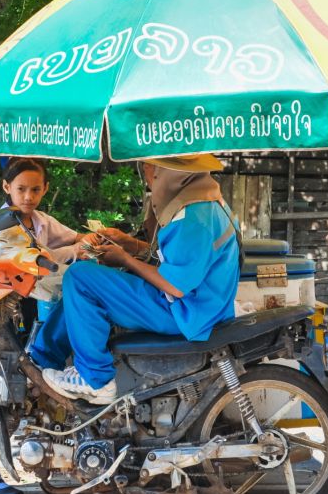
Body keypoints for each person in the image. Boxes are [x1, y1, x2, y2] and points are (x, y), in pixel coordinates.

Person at [31, 154, 241, 404]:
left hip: (187, 313)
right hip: (198, 305)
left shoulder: (194, 216)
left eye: (150, 170)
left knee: (80, 277)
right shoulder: (203, 200)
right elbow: (176, 260)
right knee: (89, 280)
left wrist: (126, 260)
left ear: (168, 174)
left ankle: (95, 380)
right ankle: (41, 361)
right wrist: (131, 245)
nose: (147, 178)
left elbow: (176, 285)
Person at [0, 157, 100, 494]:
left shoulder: (40, 219)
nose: (28, 195)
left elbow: (70, 237)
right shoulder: (5, 224)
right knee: (5, 393)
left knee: (33, 388)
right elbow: (40, 258)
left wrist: (92, 240)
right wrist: (74, 250)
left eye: (35, 189)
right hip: (3, 315)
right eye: (21, 189)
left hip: (32, 309)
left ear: (45, 189)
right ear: (7, 189)